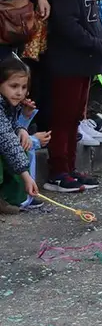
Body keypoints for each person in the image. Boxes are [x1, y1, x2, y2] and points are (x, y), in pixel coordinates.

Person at [43, 0, 102, 192]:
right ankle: (58, 171)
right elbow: (68, 24)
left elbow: (90, 20)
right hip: (68, 61)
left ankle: (70, 168)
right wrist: (96, 43)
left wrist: (101, 42)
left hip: (83, 61)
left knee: (75, 118)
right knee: (63, 118)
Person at [0, 56, 40, 212]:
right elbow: (6, 138)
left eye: (24, 88)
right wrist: (26, 176)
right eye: (14, 86)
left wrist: (20, 129)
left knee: (23, 143)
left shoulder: (9, 104)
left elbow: (10, 127)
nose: (19, 92)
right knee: (11, 149)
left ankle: (9, 197)